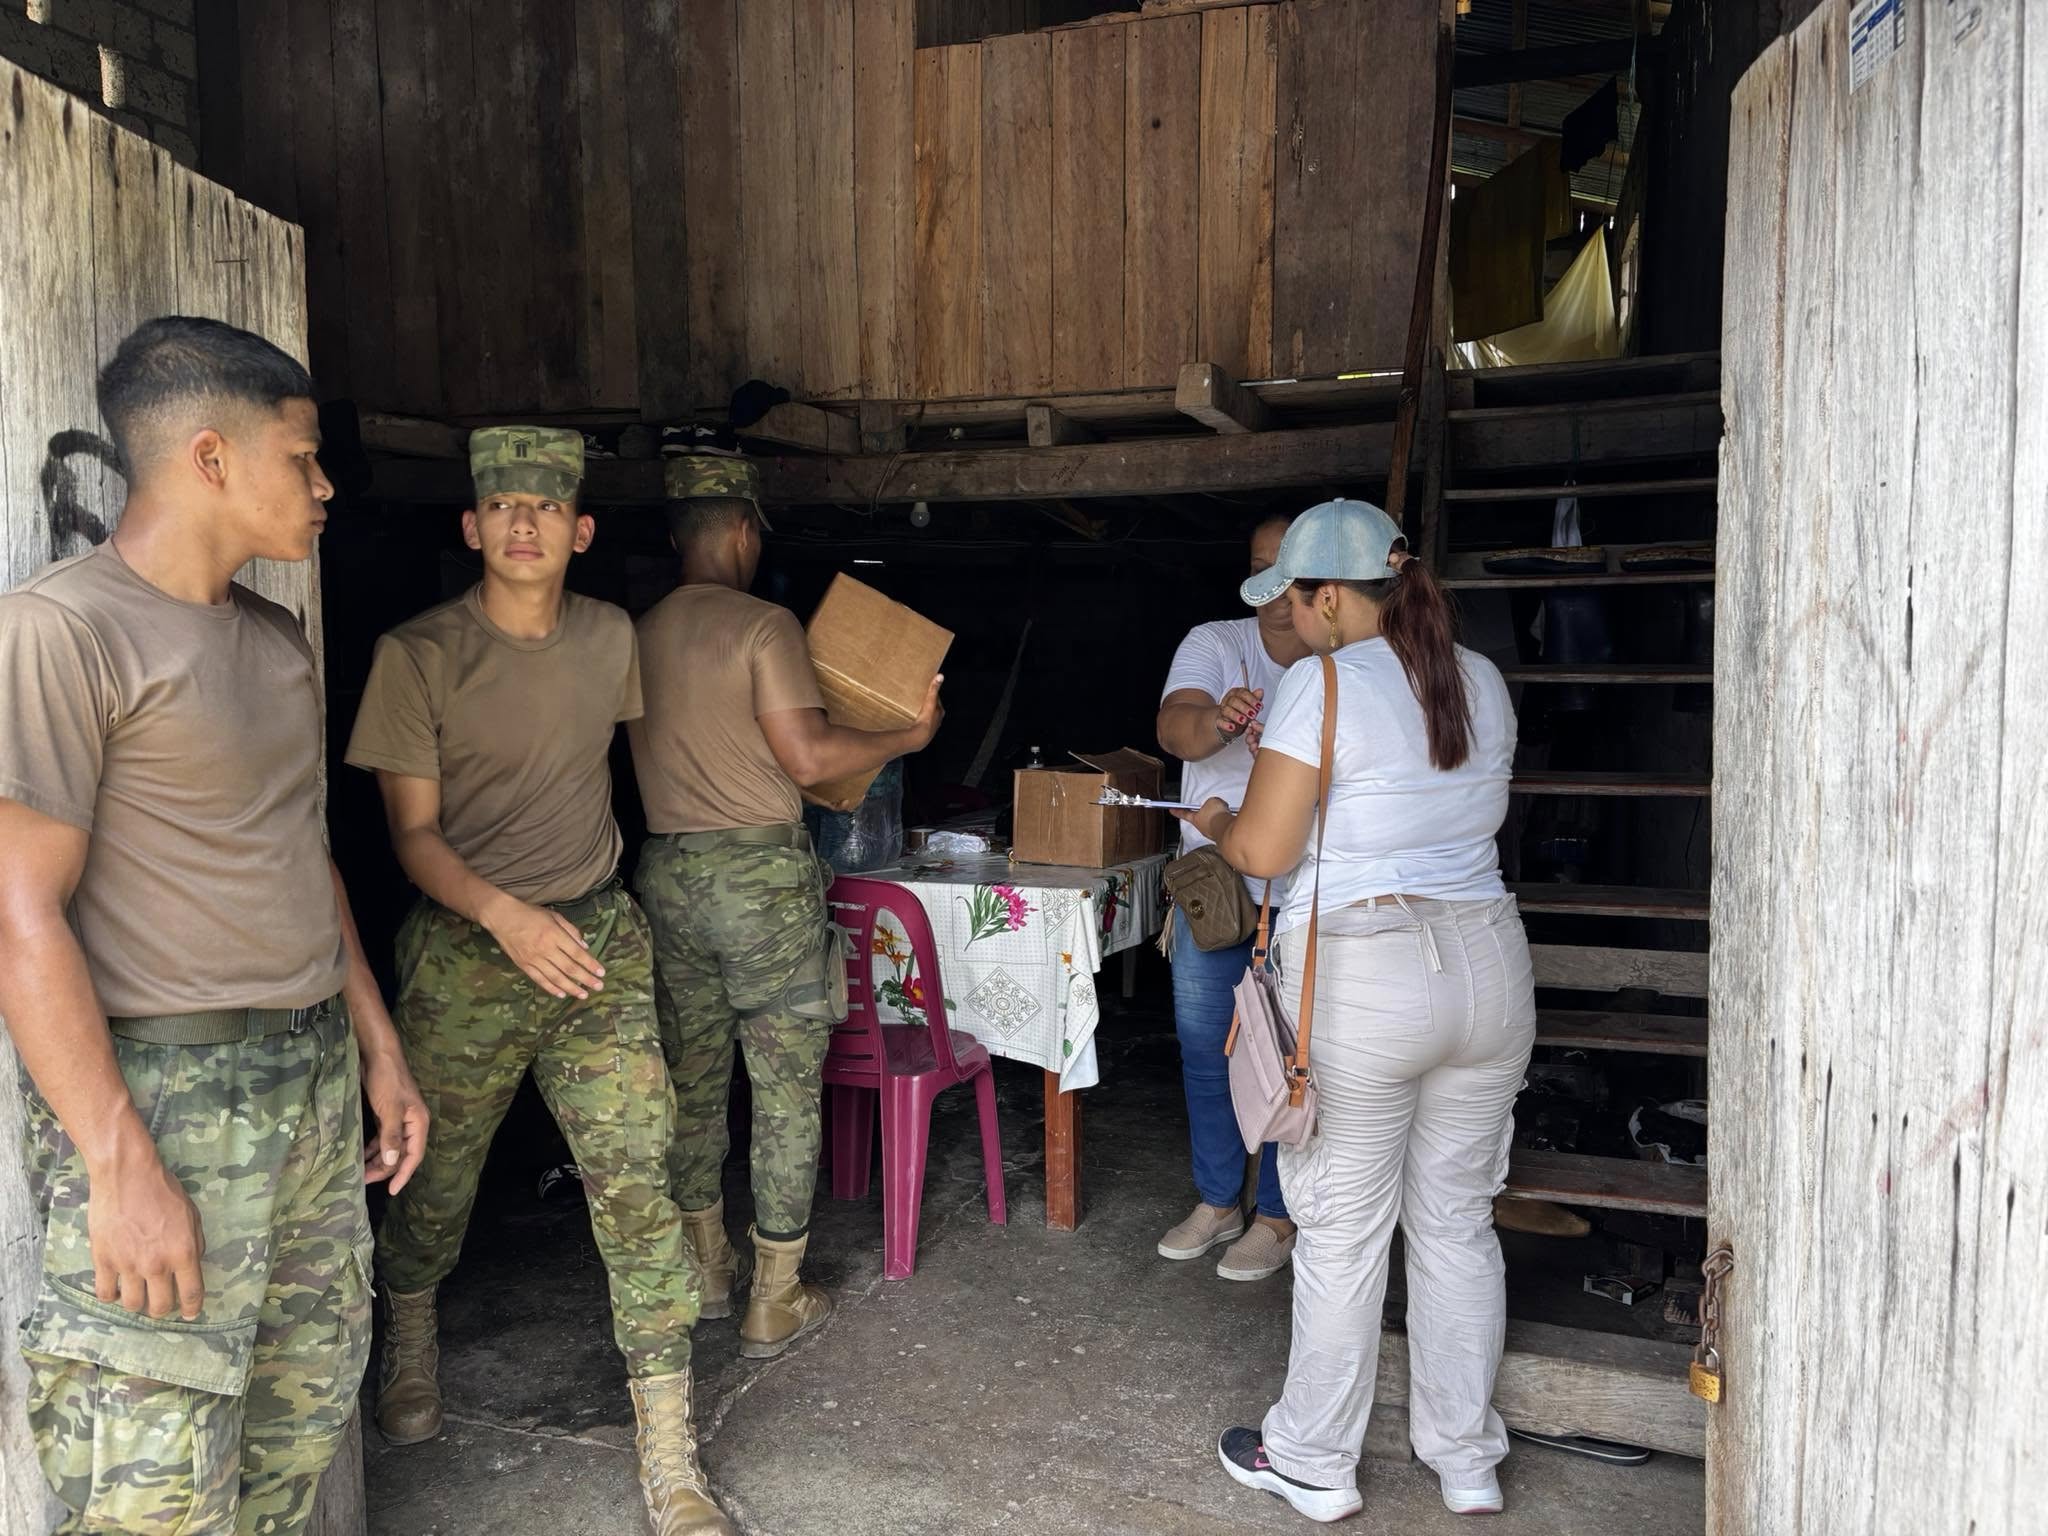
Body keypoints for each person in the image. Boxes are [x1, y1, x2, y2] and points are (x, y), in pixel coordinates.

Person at [0, 315, 429, 1534]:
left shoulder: (277, 640)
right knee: (155, 1484)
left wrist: (378, 1048)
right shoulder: (61, 632)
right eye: (303, 456)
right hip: (165, 1094)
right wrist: (116, 1161)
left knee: (297, 1431)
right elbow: (18, 912)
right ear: (209, 457)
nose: (325, 485)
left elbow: (302, 856)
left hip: (308, 1083)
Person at [346, 429, 727, 1535]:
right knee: (434, 1172)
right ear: (471, 526)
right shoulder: (417, 654)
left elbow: (603, 771)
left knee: (637, 1174)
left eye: (547, 506)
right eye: (504, 505)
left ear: (582, 530)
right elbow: (411, 836)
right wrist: (506, 916)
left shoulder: (610, 637)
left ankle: (670, 1447)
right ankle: (411, 1337)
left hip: (594, 944)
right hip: (468, 951)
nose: (525, 523)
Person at [1181, 498, 1531, 1522]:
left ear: (1331, 595)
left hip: (1367, 976)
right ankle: (1465, 1459)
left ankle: (1312, 1460)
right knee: (1457, 1223)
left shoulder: (1321, 684)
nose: (1287, 620)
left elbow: (1263, 851)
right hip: (1488, 967)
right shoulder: (1479, 678)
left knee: (1340, 1229)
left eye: (1293, 599)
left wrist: (1216, 817)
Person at [630, 455, 943, 1360]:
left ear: (678, 534)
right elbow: (807, 759)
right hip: (760, 881)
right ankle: (775, 1294)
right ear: (742, 530)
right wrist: (909, 735)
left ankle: (706, 1272)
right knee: (783, 1089)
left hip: (668, 873)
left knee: (692, 1083)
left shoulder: (636, 632)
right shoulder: (763, 625)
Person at [1153, 512, 1309, 1281]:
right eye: (1259, 568)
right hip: (1215, 886)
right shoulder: (1217, 642)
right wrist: (1217, 721)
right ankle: (1219, 1201)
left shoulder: (1338, 658)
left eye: (1289, 570)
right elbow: (1174, 729)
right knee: (1205, 1048)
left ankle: (1277, 1215)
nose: (1273, 588)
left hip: (1302, 885)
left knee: (1291, 1056)